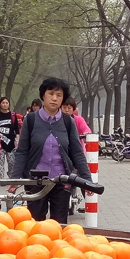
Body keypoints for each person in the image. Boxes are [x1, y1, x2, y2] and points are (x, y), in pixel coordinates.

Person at [12, 77, 91, 223]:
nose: (54, 98)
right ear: (43, 95)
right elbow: (22, 151)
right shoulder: (31, 120)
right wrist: (15, 178)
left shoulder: (68, 122)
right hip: (35, 181)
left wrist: (87, 180)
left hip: (61, 181)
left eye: (59, 95)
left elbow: (77, 152)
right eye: (51, 94)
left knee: (59, 224)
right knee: (35, 223)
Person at [0, 97, 20, 180]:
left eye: (6, 103)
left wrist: (17, 138)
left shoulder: (13, 115)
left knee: (11, 162)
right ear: (0, 104)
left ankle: (10, 173)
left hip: (10, 143)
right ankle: (1, 177)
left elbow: (16, 129)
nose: (5, 104)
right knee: (0, 162)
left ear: (9, 104)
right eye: (3, 103)